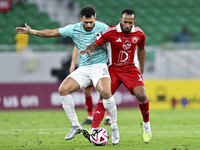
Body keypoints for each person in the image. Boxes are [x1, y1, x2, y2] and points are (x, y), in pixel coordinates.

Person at [15, 6, 119, 144]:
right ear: (81, 19)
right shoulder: (74, 28)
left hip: (100, 66)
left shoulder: (103, 27)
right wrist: (32, 32)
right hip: (84, 68)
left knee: (106, 92)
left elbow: (117, 42)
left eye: (91, 22)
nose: (88, 25)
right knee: (63, 90)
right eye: (85, 22)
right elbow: (51, 32)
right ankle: (75, 125)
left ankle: (114, 125)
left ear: (95, 18)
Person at [80, 9, 152, 143]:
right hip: (112, 70)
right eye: (125, 22)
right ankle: (93, 130)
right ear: (120, 20)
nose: (127, 25)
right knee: (104, 95)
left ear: (133, 22)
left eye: (130, 23)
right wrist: (89, 49)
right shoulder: (110, 32)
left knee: (142, 95)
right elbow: (95, 44)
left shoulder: (139, 33)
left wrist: (141, 69)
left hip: (130, 69)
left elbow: (142, 49)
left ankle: (146, 125)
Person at [70, 46, 111, 125]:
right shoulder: (81, 34)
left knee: (104, 90)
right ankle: (90, 117)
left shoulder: (100, 34)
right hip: (87, 65)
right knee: (87, 91)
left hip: (101, 65)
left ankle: (108, 117)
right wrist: (73, 62)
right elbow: (76, 46)